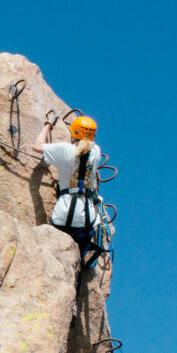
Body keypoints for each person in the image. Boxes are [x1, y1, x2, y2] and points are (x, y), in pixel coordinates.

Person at [32, 115, 106, 268]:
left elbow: (37, 146)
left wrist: (48, 125)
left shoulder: (64, 150)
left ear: (74, 133)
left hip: (63, 215)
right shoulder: (96, 152)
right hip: (86, 218)